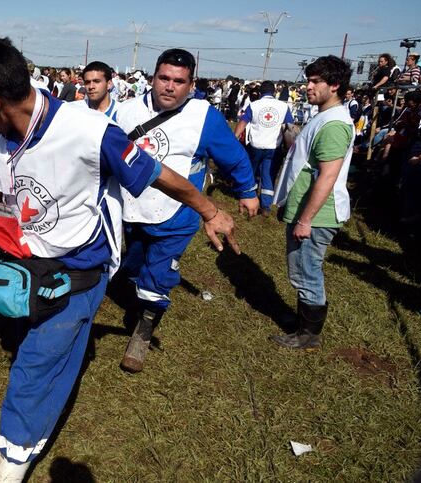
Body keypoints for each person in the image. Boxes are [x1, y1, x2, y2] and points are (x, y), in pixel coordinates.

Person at [0, 33, 240, 481]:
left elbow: (158, 175)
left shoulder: (91, 132)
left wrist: (211, 210)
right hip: (28, 259)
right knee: (49, 346)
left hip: (80, 266)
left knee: (35, 364)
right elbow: (18, 182)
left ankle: (12, 462)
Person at [115, 49, 258, 373]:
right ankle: (141, 291)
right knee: (133, 267)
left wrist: (247, 191)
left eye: (179, 81)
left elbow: (232, 156)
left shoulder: (203, 116)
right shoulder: (124, 111)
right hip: (132, 209)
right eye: (164, 78)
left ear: (191, 85)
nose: (169, 86)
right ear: (153, 78)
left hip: (177, 213)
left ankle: (143, 329)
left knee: (157, 274)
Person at [270, 55, 355, 350]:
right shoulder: (324, 116)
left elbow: (327, 177)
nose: (308, 86)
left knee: (306, 271)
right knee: (303, 269)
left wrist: (305, 219)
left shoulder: (333, 124)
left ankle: (308, 334)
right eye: (308, 79)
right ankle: (304, 325)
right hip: (308, 210)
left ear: (334, 85)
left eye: (315, 81)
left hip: (318, 215)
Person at [234, 80, 294, 214]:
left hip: (255, 145)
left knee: (252, 172)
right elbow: (290, 127)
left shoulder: (254, 105)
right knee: (269, 175)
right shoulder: (283, 106)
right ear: (274, 92)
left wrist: (234, 139)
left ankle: (251, 197)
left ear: (260, 92)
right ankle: (266, 205)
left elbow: (243, 122)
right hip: (274, 147)